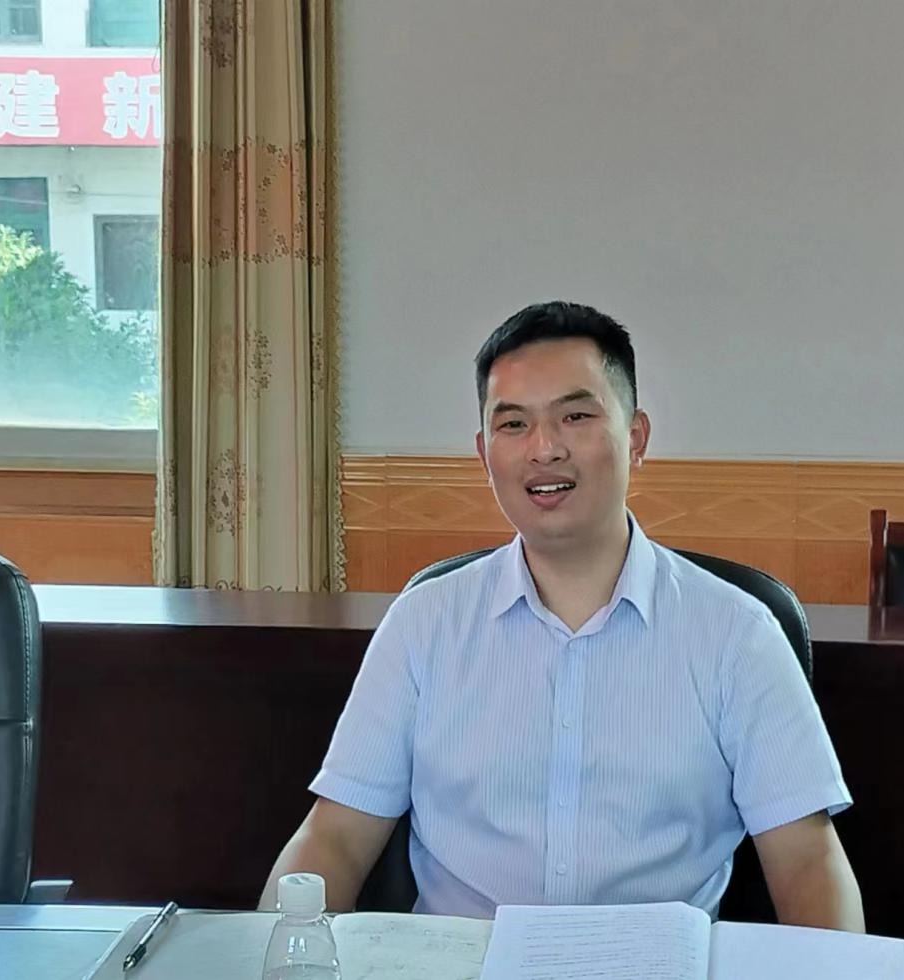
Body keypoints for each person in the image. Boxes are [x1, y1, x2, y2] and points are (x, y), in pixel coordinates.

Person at [261, 301, 863, 929]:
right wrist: (274, 952)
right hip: (461, 963)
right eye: (513, 424)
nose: (544, 449)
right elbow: (335, 835)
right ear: (484, 453)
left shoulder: (738, 633)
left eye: (575, 416)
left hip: (655, 967)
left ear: (636, 437)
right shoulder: (425, 622)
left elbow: (807, 860)